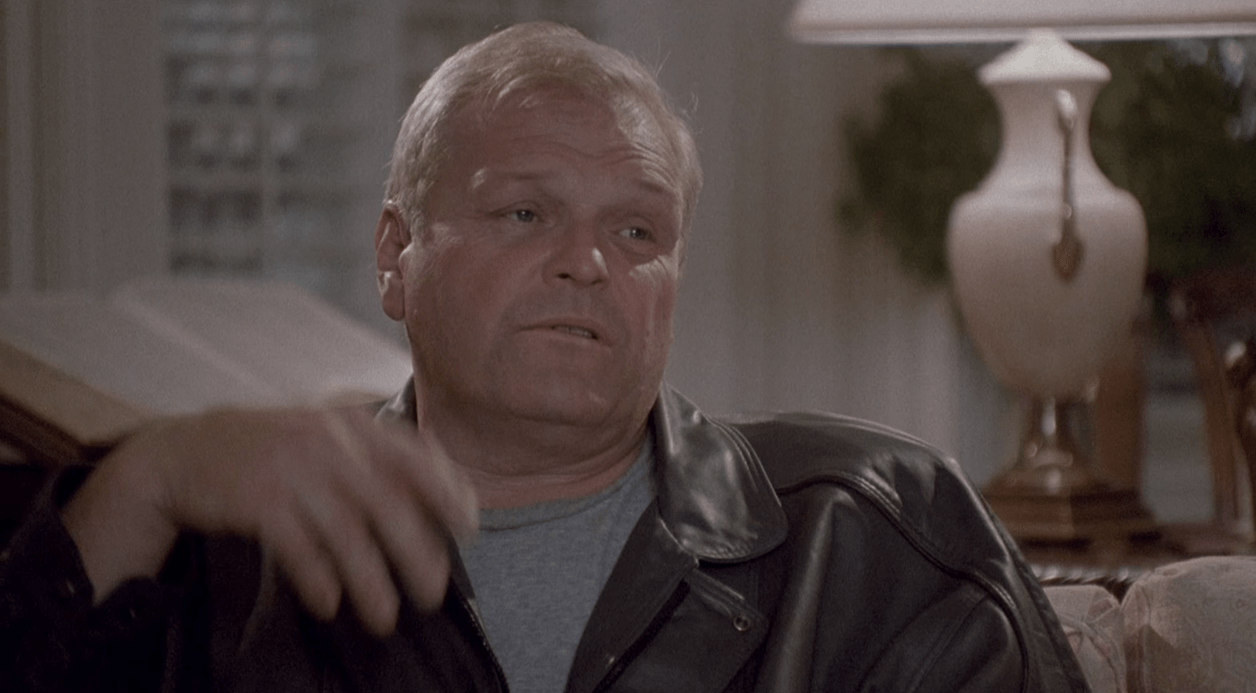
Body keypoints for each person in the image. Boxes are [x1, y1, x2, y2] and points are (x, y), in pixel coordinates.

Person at [0, 21, 1089, 693]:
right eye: (523, 213)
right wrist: (150, 479)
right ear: (394, 256)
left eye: (637, 230)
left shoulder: (875, 534)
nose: (587, 262)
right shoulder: (226, 552)